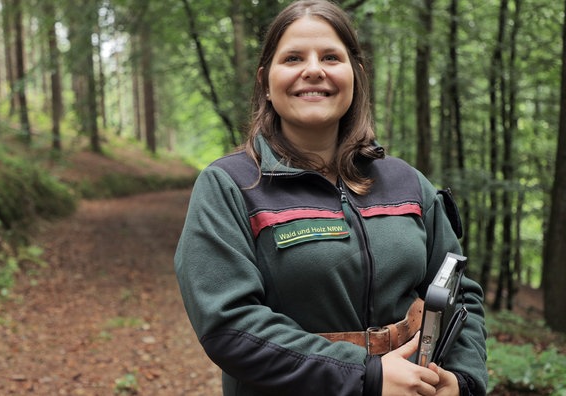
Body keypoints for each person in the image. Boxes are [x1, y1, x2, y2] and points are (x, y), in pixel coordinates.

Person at [174, 0, 488, 395]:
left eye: (330, 57)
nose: (313, 70)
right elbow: (229, 325)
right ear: (265, 83)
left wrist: (462, 381)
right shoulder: (230, 186)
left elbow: (462, 293)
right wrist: (366, 377)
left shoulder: (407, 183)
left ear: (355, 75)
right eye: (292, 58)